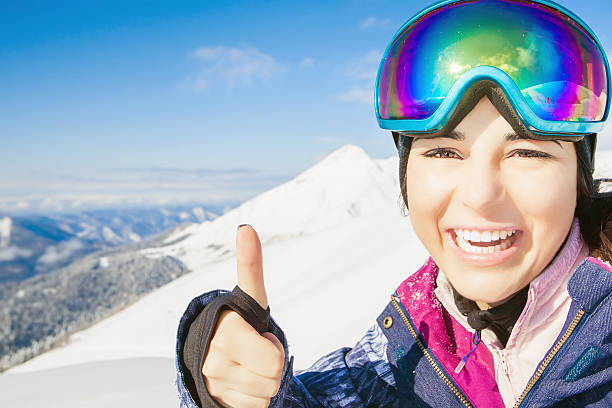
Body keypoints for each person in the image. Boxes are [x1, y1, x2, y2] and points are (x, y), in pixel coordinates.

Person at [175, 0, 612, 406]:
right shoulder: (399, 356)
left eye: (528, 153)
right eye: (443, 152)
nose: (480, 195)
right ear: (406, 179)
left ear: (579, 180)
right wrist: (230, 383)